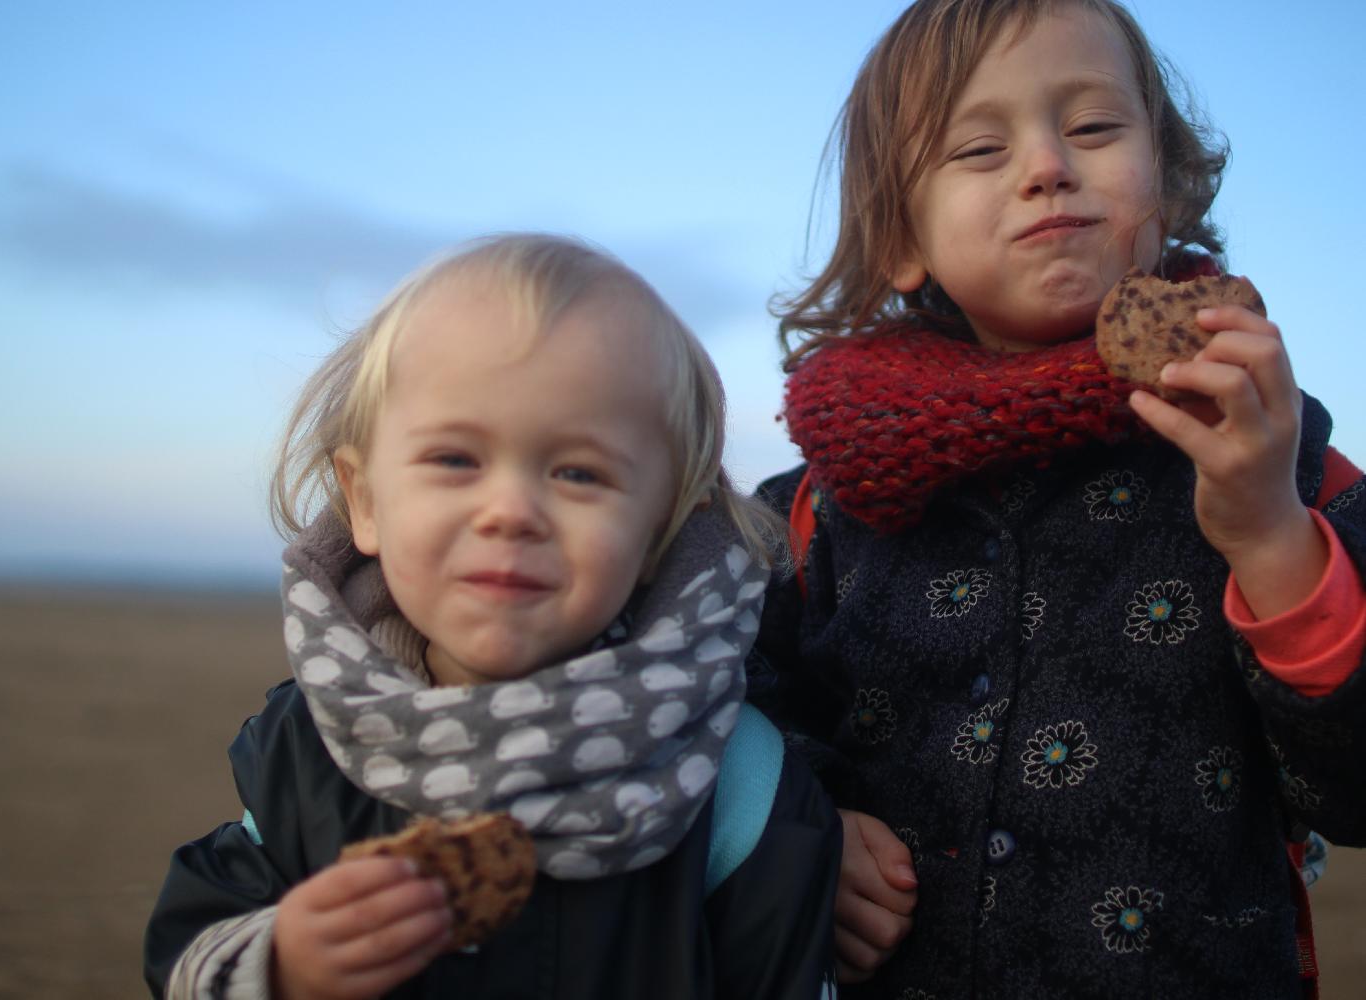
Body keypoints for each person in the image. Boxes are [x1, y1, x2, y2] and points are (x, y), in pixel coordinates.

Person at [748, 1, 1366, 996]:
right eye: (980, 146)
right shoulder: (826, 502)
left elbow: (1355, 796)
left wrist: (1270, 539)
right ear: (904, 237)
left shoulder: (1274, 454)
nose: (1046, 165)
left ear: (1165, 182)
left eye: (1092, 127)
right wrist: (802, 819)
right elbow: (719, 709)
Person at [144, 234, 841, 999]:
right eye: (455, 460)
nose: (510, 511)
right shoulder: (312, 746)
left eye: (578, 472)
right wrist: (282, 965)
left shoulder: (733, 780)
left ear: (660, 531)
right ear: (365, 500)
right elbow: (192, 937)